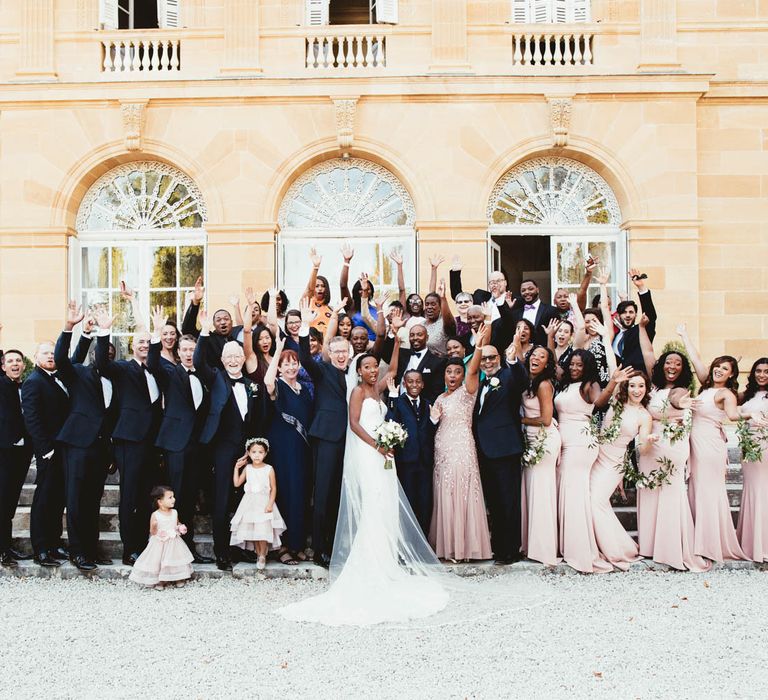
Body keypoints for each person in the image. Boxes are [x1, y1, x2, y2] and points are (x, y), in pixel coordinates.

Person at [278, 352, 449, 626]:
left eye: (374, 367)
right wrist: (377, 445)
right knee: (373, 501)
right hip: (370, 454)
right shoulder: (358, 391)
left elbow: (391, 371)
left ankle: (387, 558)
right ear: (359, 371)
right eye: (367, 367)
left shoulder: (379, 392)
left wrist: (394, 338)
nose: (371, 370)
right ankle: (370, 560)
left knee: (386, 503)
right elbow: (354, 424)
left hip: (384, 455)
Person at [195, 308, 268, 572]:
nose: (235, 360)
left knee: (243, 501)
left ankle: (240, 548)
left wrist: (252, 451)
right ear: (223, 360)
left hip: (245, 451)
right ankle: (221, 552)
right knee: (223, 501)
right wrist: (203, 332)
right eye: (230, 356)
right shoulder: (215, 378)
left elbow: (257, 420)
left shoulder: (252, 385)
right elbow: (199, 361)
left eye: (238, 356)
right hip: (222, 450)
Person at [636, 316, 709, 572]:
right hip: (650, 447)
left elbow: (679, 401)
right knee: (650, 492)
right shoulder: (654, 386)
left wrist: (683, 405)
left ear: (683, 369)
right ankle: (650, 546)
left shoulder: (681, 391)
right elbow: (647, 351)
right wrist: (642, 327)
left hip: (671, 448)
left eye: (678, 363)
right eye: (669, 362)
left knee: (669, 493)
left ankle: (671, 548)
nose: (672, 366)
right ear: (662, 365)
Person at [95, 309, 163, 567]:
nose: (145, 346)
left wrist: (156, 333)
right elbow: (102, 363)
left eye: (148, 342)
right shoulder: (122, 369)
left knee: (148, 495)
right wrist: (104, 332)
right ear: (132, 347)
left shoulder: (158, 369)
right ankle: (130, 549)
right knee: (130, 496)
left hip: (153, 442)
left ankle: (146, 545)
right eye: (140, 342)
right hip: (130, 440)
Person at [147, 307, 214, 564]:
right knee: (174, 497)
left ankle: (188, 548)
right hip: (175, 443)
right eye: (184, 350)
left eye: (192, 350)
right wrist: (156, 332)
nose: (188, 354)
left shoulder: (205, 375)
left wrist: (204, 332)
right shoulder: (170, 372)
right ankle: (170, 550)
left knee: (189, 496)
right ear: (179, 352)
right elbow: (152, 363)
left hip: (197, 445)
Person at [678, 325, 748, 562]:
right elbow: (695, 358)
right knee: (697, 490)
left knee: (708, 492)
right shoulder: (707, 386)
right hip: (696, 446)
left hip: (710, 447)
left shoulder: (726, 394)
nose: (719, 370)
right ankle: (700, 540)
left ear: (731, 374)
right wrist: (684, 336)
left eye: (725, 368)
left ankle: (710, 544)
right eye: (717, 366)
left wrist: (750, 415)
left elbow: (734, 415)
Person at [54, 303, 115, 571]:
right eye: (103, 350)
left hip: (102, 449)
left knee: (92, 500)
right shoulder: (78, 373)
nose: (106, 355)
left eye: (110, 351)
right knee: (76, 499)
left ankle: (91, 548)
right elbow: (61, 359)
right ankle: (78, 552)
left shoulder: (118, 379)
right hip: (77, 444)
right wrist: (71, 328)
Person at [297, 301, 352, 569]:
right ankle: (319, 550)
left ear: (350, 353)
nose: (341, 355)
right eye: (337, 351)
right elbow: (305, 359)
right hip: (327, 438)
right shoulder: (323, 371)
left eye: (345, 351)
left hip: (351, 441)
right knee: (323, 494)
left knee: (339, 495)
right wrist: (306, 327)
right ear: (330, 352)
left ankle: (335, 545)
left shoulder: (355, 374)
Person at [429, 340, 492, 562]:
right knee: (445, 492)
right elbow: (434, 422)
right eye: (449, 372)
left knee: (461, 491)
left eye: (458, 372)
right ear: (444, 375)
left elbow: (473, 368)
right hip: (442, 449)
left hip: (461, 447)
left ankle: (464, 547)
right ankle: (448, 546)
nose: (453, 376)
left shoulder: (468, 392)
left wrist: (479, 347)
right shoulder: (439, 398)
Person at [472, 319, 529, 565]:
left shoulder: (508, 375)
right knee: (494, 502)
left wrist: (514, 359)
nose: (488, 362)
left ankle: (511, 551)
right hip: (485, 451)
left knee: (509, 501)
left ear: (499, 358)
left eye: (492, 358)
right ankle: (498, 548)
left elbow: (523, 381)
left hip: (506, 448)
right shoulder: (481, 382)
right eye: (484, 359)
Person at [554, 350, 614, 573]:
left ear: (587, 366)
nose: (574, 368)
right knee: (566, 491)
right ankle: (566, 544)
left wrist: (614, 382)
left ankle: (580, 550)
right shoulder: (566, 384)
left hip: (580, 442)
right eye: (572, 364)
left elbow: (600, 402)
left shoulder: (590, 385)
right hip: (564, 440)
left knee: (575, 493)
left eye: (579, 365)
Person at [590, 371, 653, 571]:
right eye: (633, 385)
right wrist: (608, 342)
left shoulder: (644, 416)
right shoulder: (617, 400)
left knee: (596, 502)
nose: (637, 390)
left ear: (646, 388)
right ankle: (594, 545)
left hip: (614, 463)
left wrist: (649, 442)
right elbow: (602, 398)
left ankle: (619, 550)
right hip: (596, 456)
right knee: (589, 501)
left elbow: (642, 448)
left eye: (641, 386)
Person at [264, 334, 313, 565]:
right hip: (282, 447)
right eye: (287, 363)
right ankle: (282, 547)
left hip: (302, 447)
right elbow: (267, 382)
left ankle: (298, 544)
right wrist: (278, 351)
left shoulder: (304, 389)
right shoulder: (278, 387)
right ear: (280, 368)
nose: (291, 367)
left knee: (301, 494)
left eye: (294, 362)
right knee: (285, 493)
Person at [22, 340, 71, 568]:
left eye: (53, 352)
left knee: (57, 498)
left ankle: (54, 543)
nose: (51, 356)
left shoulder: (59, 378)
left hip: (63, 449)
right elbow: (31, 418)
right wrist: (45, 450)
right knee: (44, 500)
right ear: (36, 356)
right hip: (48, 451)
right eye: (45, 353)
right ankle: (41, 549)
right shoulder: (34, 381)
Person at [520, 346, 560, 567]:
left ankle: (543, 549)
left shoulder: (544, 385)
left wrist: (521, 421)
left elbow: (546, 419)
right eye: (534, 355)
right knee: (531, 492)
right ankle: (531, 545)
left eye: (542, 357)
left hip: (544, 440)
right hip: (530, 441)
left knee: (541, 492)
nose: (536, 359)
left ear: (547, 364)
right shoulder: (526, 381)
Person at [385, 370, 435, 536]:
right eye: (410, 382)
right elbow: (390, 424)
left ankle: (423, 541)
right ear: (404, 384)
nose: (414, 385)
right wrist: (392, 397)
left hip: (425, 461)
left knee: (425, 502)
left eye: (417, 382)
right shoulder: (398, 402)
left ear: (422, 384)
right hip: (406, 461)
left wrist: (434, 422)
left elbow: (429, 431)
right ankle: (408, 541)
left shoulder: (428, 403)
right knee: (409, 501)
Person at [0, 328, 33, 567]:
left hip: (22, 454)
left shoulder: (27, 386)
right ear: (3, 366)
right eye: (10, 361)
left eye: (18, 361)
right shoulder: (1, 384)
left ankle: (7, 547)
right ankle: (3, 551)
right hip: (4, 452)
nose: (14, 364)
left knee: (10, 502)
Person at [230, 438, 286, 571]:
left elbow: (273, 488)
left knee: (263, 529)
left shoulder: (269, 469)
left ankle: (262, 555)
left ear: (265, 453)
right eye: (254, 452)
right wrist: (236, 468)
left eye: (260, 452)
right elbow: (237, 483)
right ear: (248, 453)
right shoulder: (248, 468)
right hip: (249, 503)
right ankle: (258, 553)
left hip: (263, 502)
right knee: (254, 530)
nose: (257, 455)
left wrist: (270, 504)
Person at [129, 486, 194, 588]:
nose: (174, 499)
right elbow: (152, 532)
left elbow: (177, 523)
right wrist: (154, 526)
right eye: (170, 497)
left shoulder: (174, 512)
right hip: (160, 542)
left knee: (174, 560)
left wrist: (180, 527)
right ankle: (160, 580)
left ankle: (178, 577)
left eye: (173, 497)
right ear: (160, 502)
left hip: (173, 541)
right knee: (159, 562)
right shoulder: (155, 515)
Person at [737, 358, 768, 562]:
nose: (762, 375)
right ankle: (751, 543)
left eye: (766, 371)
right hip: (749, 448)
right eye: (758, 370)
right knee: (753, 490)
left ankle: (763, 545)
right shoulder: (747, 395)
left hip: (765, 446)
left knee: (763, 490)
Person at [182, 276, 243, 368]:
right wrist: (195, 303)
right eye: (218, 320)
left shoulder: (238, 338)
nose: (222, 322)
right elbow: (187, 330)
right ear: (213, 324)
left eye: (226, 319)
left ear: (231, 322)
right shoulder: (208, 339)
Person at [383, 323, 446, 404]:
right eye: (412, 335)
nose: (415, 338)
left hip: (421, 409)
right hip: (396, 404)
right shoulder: (401, 354)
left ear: (427, 338)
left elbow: (437, 391)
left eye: (419, 335)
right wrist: (392, 333)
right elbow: (385, 355)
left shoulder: (437, 362)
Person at [611, 268, 657, 372]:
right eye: (624, 312)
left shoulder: (641, 331)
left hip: (638, 378)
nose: (627, 315)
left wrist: (641, 287)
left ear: (636, 315)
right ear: (618, 315)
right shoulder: (614, 333)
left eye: (631, 312)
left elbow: (651, 316)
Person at [511, 279, 559, 347]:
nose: (527, 292)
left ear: (537, 290)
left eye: (530, 289)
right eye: (523, 290)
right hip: (521, 351)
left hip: (543, 352)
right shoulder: (516, 313)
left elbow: (556, 335)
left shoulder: (551, 310)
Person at [304, 247, 332, 332]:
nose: (320, 288)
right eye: (317, 286)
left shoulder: (331, 309)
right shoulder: (308, 303)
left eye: (323, 286)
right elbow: (309, 289)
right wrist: (315, 267)